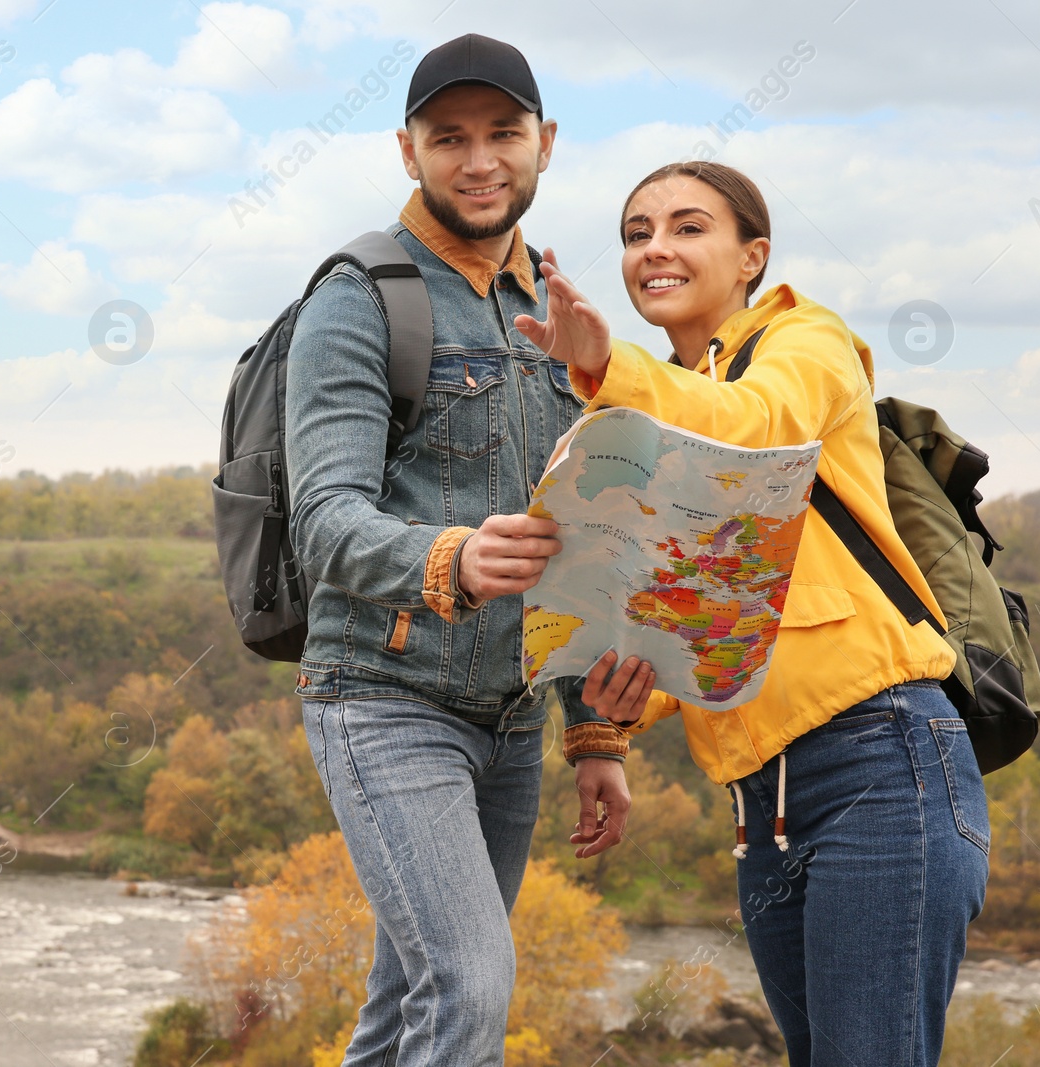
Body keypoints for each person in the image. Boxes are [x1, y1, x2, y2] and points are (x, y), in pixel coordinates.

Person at [516, 160, 991, 1067]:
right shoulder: (655, 403)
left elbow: (758, 425)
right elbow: (687, 618)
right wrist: (614, 719)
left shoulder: (806, 339)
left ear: (751, 257)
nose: (655, 247)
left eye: (688, 227)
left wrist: (601, 366)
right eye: (635, 233)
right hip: (761, 806)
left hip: (884, 761)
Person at [284, 34, 655, 1066]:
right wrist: (447, 556)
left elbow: (586, 537)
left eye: (503, 133)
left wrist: (594, 736)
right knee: (469, 982)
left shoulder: (559, 307)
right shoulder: (359, 296)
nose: (478, 158)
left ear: (546, 144)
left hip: (510, 719)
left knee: (411, 995)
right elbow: (323, 516)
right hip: (383, 694)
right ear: (408, 151)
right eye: (450, 137)